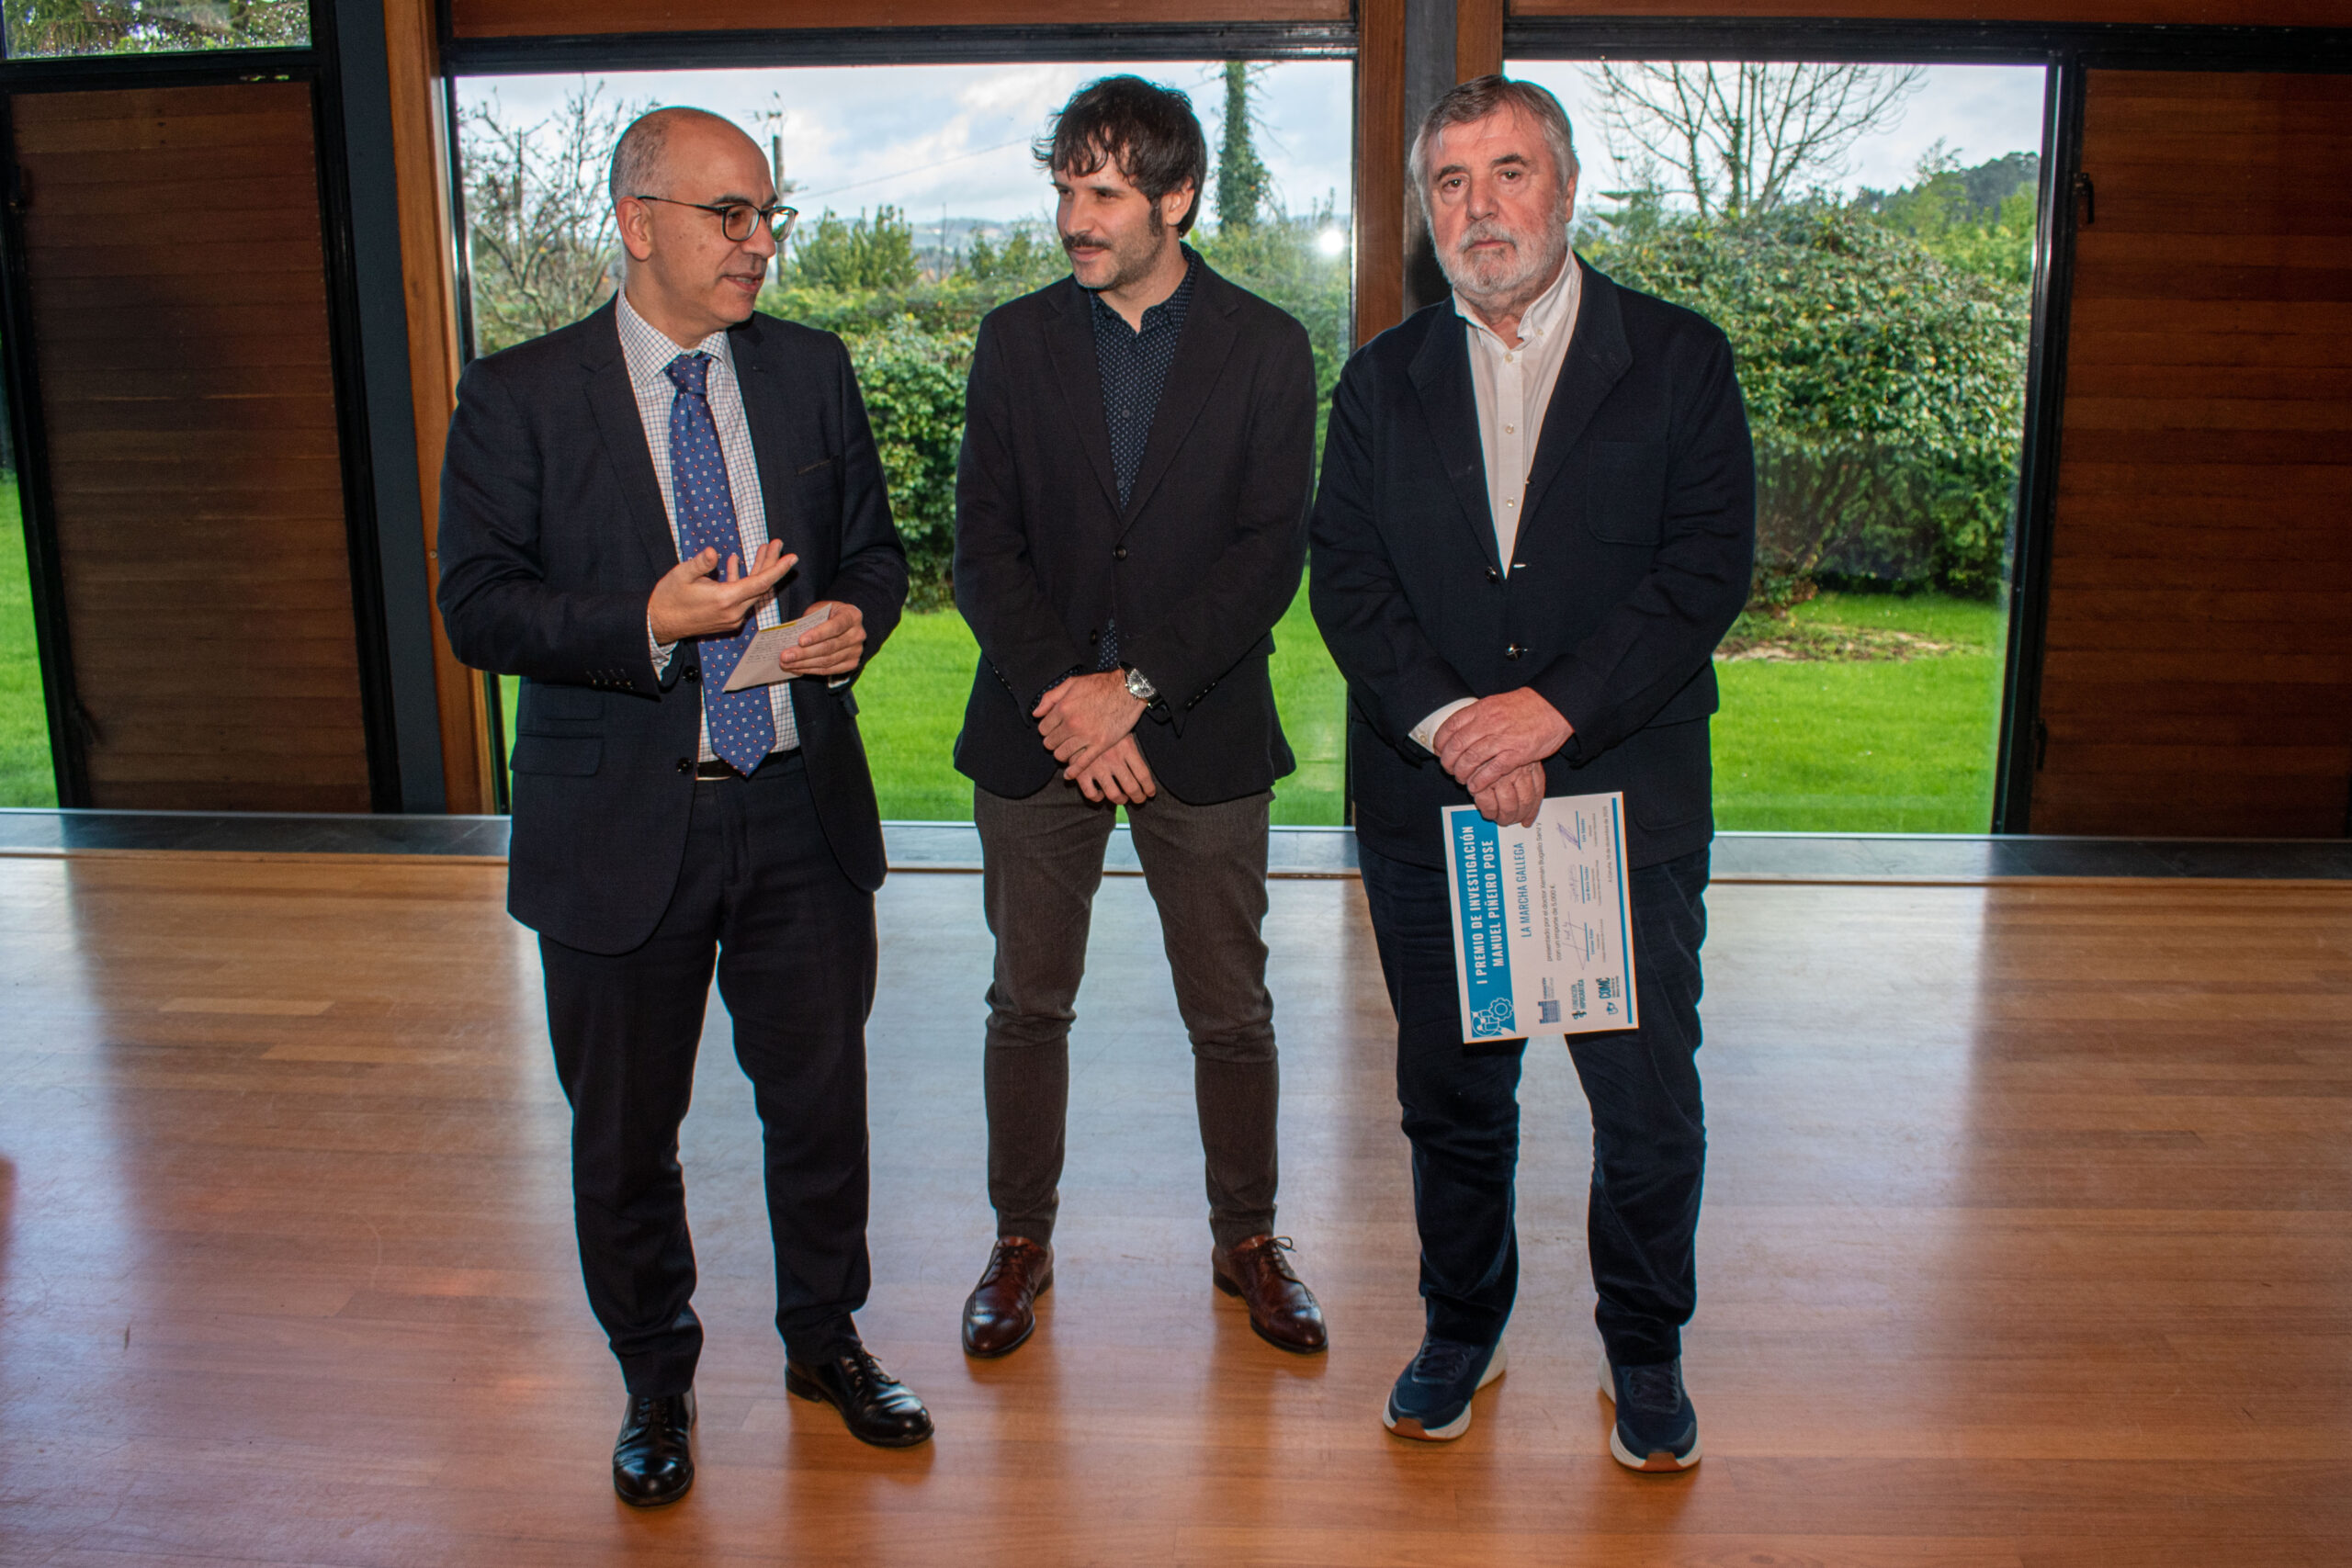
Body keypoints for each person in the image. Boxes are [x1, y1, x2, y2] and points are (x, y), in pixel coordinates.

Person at [436, 107, 933, 1506]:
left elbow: (877, 556)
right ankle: (655, 1377)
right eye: (731, 215)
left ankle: (825, 1341)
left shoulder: (813, 371)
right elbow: (477, 605)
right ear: (637, 221)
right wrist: (645, 623)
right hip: (615, 828)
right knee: (624, 1135)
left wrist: (853, 619)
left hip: (796, 810)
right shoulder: (520, 395)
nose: (759, 242)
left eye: (770, 215)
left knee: (821, 1107)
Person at [1309, 75, 1754, 1469]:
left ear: (1564, 189)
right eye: (1450, 182)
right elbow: (1348, 581)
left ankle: (1645, 1348)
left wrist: (1550, 714)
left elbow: (1704, 571)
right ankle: (1463, 1325)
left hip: (1622, 799)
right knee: (1451, 1100)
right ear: (1425, 211)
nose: (1480, 206)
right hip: (1430, 804)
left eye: (1509, 172)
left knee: (1646, 1106)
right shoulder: (1380, 382)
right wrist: (1457, 725)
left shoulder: (1678, 359)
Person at [949, 75, 1327, 1360]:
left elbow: (1267, 557)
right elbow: (983, 550)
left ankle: (1249, 1240)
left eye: (1103, 192)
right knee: (1025, 1006)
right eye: (1065, 187)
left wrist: (1137, 689)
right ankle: (1019, 1241)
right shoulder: (1013, 342)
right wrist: (1074, 701)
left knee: (1232, 1013)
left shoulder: (1266, 347)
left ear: (1177, 199)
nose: (1075, 217)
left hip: (1201, 732)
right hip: (1037, 732)